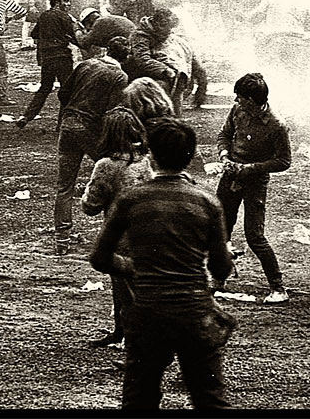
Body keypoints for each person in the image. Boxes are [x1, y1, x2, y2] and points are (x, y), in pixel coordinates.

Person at [89, 121, 236, 410]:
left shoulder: (132, 201)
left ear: (151, 156)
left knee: (139, 399)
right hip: (194, 312)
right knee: (210, 399)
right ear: (190, 156)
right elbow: (221, 268)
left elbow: (100, 258)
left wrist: (137, 270)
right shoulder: (207, 202)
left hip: (148, 312)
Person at [215, 73, 292, 304]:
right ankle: (219, 278)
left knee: (254, 235)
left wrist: (250, 168)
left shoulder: (277, 125)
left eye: (239, 97)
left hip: (254, 182)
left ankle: (278, 287)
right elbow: (225, 134)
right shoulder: (237, 110)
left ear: (250, 100)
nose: (236, 101)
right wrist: (225, 155)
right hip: (230, 176)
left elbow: (284, 161)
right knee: (220, 229)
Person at [80, 107, 154, 349]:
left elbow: (90, 206)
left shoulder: (106, 165)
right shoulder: (145, 160)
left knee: (126, 289)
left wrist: (86, 192)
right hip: (148, 232)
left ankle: (135, 341)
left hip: (119, 237)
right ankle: (121, 332)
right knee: (130, 287)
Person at [53, 36, 132, 254]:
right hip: (89, 130)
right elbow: (112, 112)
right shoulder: (119, 76)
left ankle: (62, 241)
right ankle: (113, 237)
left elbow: (63, 93)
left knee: (64, 185)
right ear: (125, 56)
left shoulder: (86, 64)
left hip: (68, 125)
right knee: (111, 176)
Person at [17, 0, 79, 129]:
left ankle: (26, 116)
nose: (68, 4)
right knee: (67, 90)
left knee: (44, 88)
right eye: (66, 1)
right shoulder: (64, 17)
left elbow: (34, 34)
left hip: (47, 57)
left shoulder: (44, 15)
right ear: (57, 2)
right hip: (62, 56)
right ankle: (61, 124)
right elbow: (74, 36)